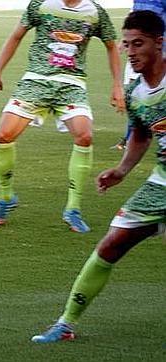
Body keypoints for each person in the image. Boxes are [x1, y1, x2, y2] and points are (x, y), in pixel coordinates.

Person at [31, 10, 165, 343]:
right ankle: (65, 324)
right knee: (109, 245)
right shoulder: (135, 92)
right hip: (160, 182)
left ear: (159, 44)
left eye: (139, 44)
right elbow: (142, 135)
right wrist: (121, 169)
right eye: (126, 45)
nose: (130, 52)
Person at [0, 0, 125, 233]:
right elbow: (16, 36)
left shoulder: (95, 12)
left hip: (72, 85)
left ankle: (73, 209)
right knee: (3, 134)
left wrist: (117, 85)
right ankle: (6, 197)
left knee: (84, 136)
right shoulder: (40, 5)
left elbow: (111, 46)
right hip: (36, 81)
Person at [112, 0, 164, 150]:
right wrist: (125, 43)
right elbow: (135, 18)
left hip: (155, 55)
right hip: (139, 51)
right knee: (136, 96)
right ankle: (130, 138)